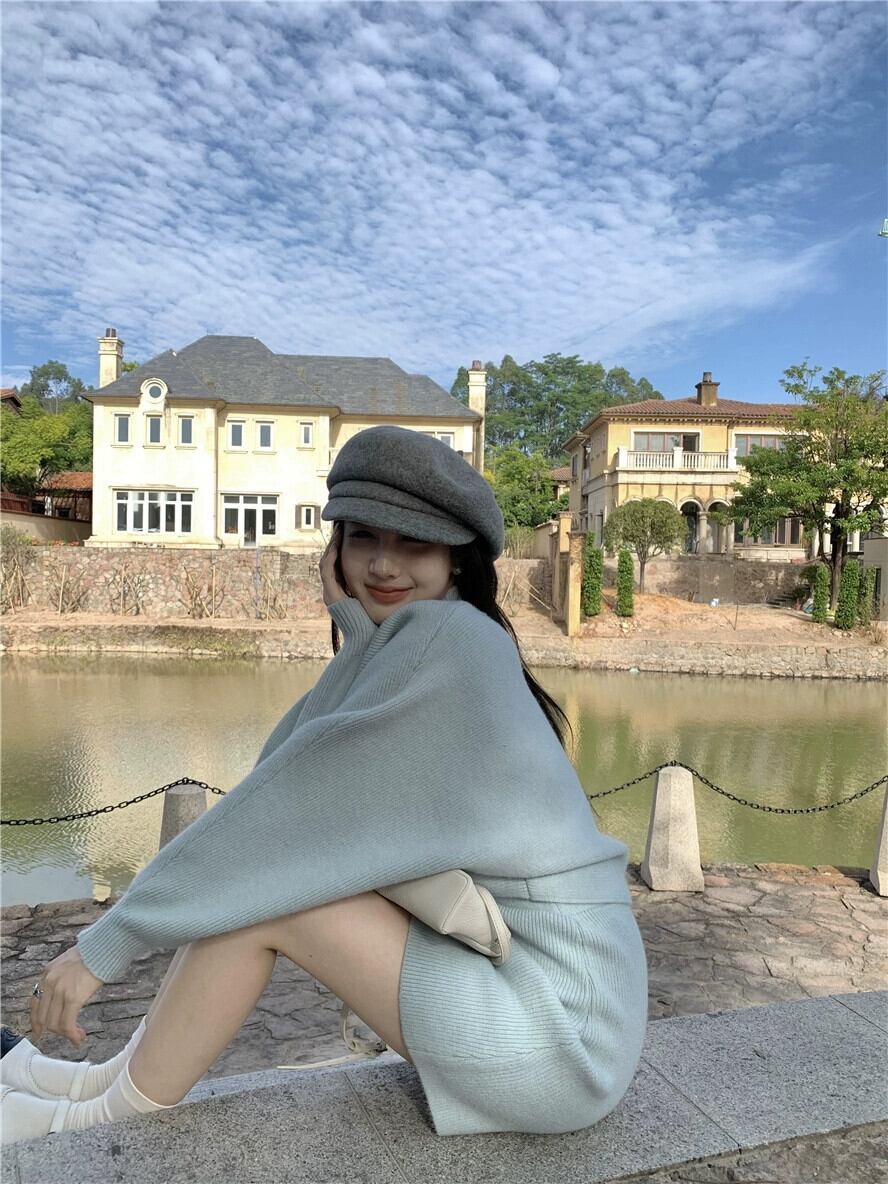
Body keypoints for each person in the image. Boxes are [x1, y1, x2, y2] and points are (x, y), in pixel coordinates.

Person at [0, 425, 648, 1143]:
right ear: (334, 545)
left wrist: (103, 945)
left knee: (269, 901)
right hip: (540, 1004)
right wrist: (360, 635)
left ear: (458, 559)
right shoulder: (428, 642)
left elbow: (277, 817)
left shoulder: (454, 644)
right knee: (260, 883)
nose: (383, 563)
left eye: (414, 543)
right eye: (363, 537)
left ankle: (99, 1119)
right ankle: (96, 1084)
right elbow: (281, 774)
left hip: (562, 1034)